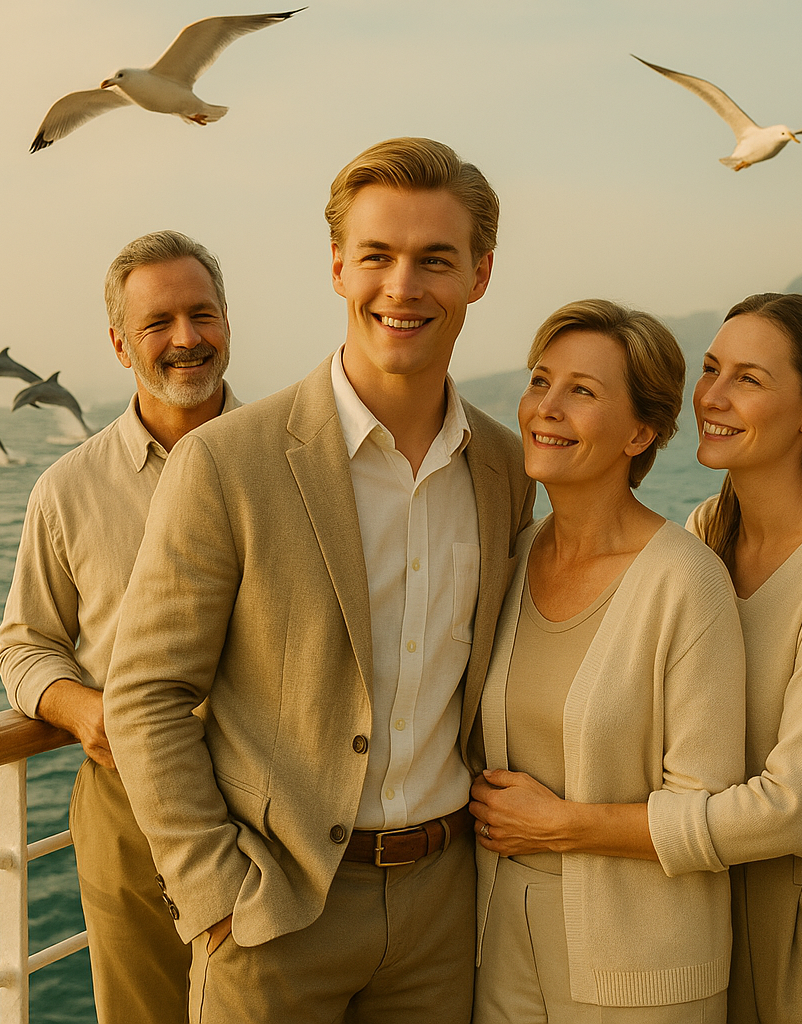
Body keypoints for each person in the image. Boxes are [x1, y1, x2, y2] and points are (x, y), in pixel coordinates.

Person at [103, 137, 534, 1024]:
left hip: (447, 911)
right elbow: (145, 692)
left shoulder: (505, 465)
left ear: (481, 275)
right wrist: (215, 894)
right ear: (338, 267)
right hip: (273, 914)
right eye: (376, 255)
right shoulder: (229, 461)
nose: (402, 287)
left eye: (435, 260)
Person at [607, 293, 802, 1023]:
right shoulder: (706, 530)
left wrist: (570, 824)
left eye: (749, 379)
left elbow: (789, 810)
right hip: (710, 901)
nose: (712, 396)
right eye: (712, 368)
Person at [469, 298, 746, 1023]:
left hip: (643, 969)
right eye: (540, 381)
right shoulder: (514, 554)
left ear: (641, 432)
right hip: (497, 949)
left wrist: (558, 825)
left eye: (582, 392)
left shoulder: (686, 581)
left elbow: (707, 808)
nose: (546, 408)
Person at [0, 229, 241, 1024]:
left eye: (202, 314)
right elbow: (26, 642)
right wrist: (81, 710)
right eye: (158, 322)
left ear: (228, 323)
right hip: (127, 806)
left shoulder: (296, 458)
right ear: (118, 343)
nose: (186, 338)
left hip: (277, 803)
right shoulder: (66, 489)